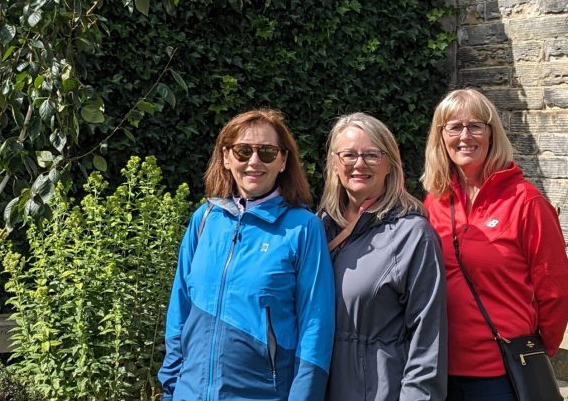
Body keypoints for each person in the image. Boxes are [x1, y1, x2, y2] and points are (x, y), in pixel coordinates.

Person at [158, 109, 335, 401]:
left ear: (282, 161)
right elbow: (180, 311)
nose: (254, 161)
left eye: (266, 152)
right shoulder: (204, 220)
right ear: (227, 158)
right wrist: (171, 390)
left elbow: (316, 329)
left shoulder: (303, 228)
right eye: (242, 151)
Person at [420, 88, 568, 401]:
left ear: (492, 133)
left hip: (501, 374)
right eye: (454, 127)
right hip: (440, 368)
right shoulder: (434, 201)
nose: (465, 136)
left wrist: (533, 347)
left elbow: (556, 289)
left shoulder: (526, 201)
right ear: (441, 137)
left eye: (475, 125)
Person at [318, 112, 447, 401]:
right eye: (348, 154)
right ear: (335, 163)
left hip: (382, 390)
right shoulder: (319, 227)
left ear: (390, 163)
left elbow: (429, 337)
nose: (359, 164)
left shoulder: (413, 235)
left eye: (372, 155)